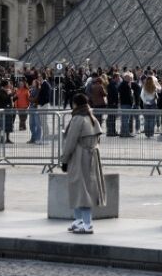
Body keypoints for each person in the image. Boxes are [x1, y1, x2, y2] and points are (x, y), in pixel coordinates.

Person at [60, 93, 106, 234]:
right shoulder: (92, 118)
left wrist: (64, 159)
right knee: (84, 188)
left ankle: (87, 223)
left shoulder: (77, 119)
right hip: (92, 156)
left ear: (75, 104)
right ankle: (78, 220)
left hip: (79, 157)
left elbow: (70, 141)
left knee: (81, 189)